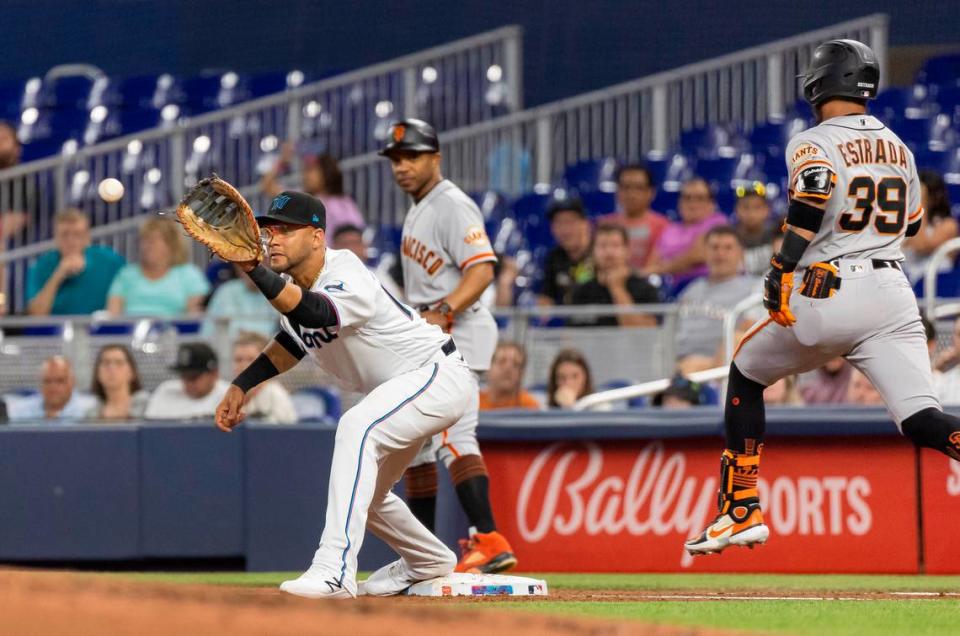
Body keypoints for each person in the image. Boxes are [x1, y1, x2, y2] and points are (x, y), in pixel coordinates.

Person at [686, 40, 960, 557]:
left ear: (820, 82)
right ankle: (738, 511)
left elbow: (813, 195)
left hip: (833, 284)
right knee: (923, 419)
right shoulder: (899, 146)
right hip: (894, 293)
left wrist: (781, 265)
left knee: (746, 371)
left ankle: (740, 508)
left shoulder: (812, 139)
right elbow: (915, 222)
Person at [210, 190, 474, 599]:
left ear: (317, 237)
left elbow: (317, 314)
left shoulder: (346, 271)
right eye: (269, 231)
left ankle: (334, 570)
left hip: (435, 374)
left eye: (285, 230)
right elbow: (294, 340)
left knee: (356, 426)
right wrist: (241, 384)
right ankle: (428, 561)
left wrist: (252, 270)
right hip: (403, 389)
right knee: (365, 493)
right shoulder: (295, 290)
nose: (272, 239)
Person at [380, 118, 516, 575]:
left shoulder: (452, 204)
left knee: (451, 437)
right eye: (397, 159)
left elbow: (481, 270)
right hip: (433, 336)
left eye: (412, 157)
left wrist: (446, 308)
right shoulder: (421, 206)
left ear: (435, 158)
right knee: (418, 448)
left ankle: (489, 538)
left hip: (460, 332)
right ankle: (420, 558)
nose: (402, 166)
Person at [675, 226, 760, 373]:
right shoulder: (690, 290)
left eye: (728, 248)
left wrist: (712, 364)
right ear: (705, 253)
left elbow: (751, 332)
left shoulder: (755, 288)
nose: (720, 254)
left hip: (724, 367)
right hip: (680, 362)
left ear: (740, 254)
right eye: (714, 248)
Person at [26, 209, 125, 315]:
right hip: (57, 329)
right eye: (65, 234)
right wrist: (58, 275)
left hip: (101, 328)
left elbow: (131, 294)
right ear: (56, 238)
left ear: (87, 238)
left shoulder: (110, 260)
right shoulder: (41, 266)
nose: (71, 240)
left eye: (77, 234)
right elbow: (35, 314)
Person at [108, 217, 210, 317]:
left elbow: (195, 315)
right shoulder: (126, 274)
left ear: (172, 244)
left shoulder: (189, 275)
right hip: (128, 332)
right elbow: (112, 314)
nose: (147, 245)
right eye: (144, 239)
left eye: (153, 240)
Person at [570, 223, 661, 327]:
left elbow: (646, 333)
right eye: (602, 246)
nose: (609, 252)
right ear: (592, 252)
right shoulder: (581, 292)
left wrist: (617, 288)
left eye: (615, 245)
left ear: (627, 251)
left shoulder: (645, 288)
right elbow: (571, 338)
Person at [261, 146, 365, 237]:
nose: (305, 176)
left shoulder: (343, 203)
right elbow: (267, 186)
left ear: (326, 172)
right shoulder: (300, 198)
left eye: (310, 171)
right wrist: (282, 161)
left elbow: (355, 232)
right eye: (305, 171)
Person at [644, 177, 728, 285]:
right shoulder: (670, 229)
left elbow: (697, 255)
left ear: (711, 204)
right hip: (668, 289)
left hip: (704, 285)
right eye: (687, 198)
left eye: (700, 198)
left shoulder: (717, 222)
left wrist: (661, 269)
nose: (692, 203)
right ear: (679, 203)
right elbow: (651, 264)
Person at [599, 164, 668, 269]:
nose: (631, 194)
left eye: (638, 188)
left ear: (651, 192)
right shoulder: (604, 224)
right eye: (626, 187)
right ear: (618, 192)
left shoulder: (663, 226)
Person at [144, 343, 230, 420]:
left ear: (214, 374)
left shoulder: (230, 396)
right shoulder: (165, 391)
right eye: (183, 376)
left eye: (193, 377)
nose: (188, 382)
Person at [538, 195, 594, 306]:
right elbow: (547, 298)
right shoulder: (553, 258)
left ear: (585, 224)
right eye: (559, 223)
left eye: (570, 222)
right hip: (567, 321)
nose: (565, 230)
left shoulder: (600, 254)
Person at [230, 331, 297, 424]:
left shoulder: (276, 396)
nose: (244, 366)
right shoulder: (227, 395)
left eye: (251, 359)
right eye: (238, 360)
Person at [902, 170, 957, 281]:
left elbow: (921, 246)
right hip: (906, 287)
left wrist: (920, 202)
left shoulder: (949, 225)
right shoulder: (903, 223)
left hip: (937, 289)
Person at [7, 356, 95, 422]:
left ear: (72, 382)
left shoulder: (90, 409)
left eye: (60, 381)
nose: (53, 387)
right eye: (47, 381)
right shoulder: (20, 409)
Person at [202, 264, 278, 337]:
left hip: (268, 347)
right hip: (231, 347)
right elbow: (208, 331)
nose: (253, 271)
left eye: (259, 264)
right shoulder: (225, 291)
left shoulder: (278, 292)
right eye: (246, 264)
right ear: (237, 268)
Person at [86, 344, 150, 421]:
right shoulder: (91, 415)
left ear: (132, 372)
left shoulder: (149, 407)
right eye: (106, 363)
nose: (111, 369)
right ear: (97, 373)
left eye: (119, 363)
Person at [479, 341, 541, 411]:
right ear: (488, 367)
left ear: (522, 373)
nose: (508, 369)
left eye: (516, 364)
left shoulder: (529, 406)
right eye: (502, 361)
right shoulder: (474, 403)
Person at [735, 189, 778, 276]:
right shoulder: (731, 239)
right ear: (737, 210)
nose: (751, 213)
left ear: (766, 210)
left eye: (757, 207)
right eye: (746, 207)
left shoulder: (776, 235)